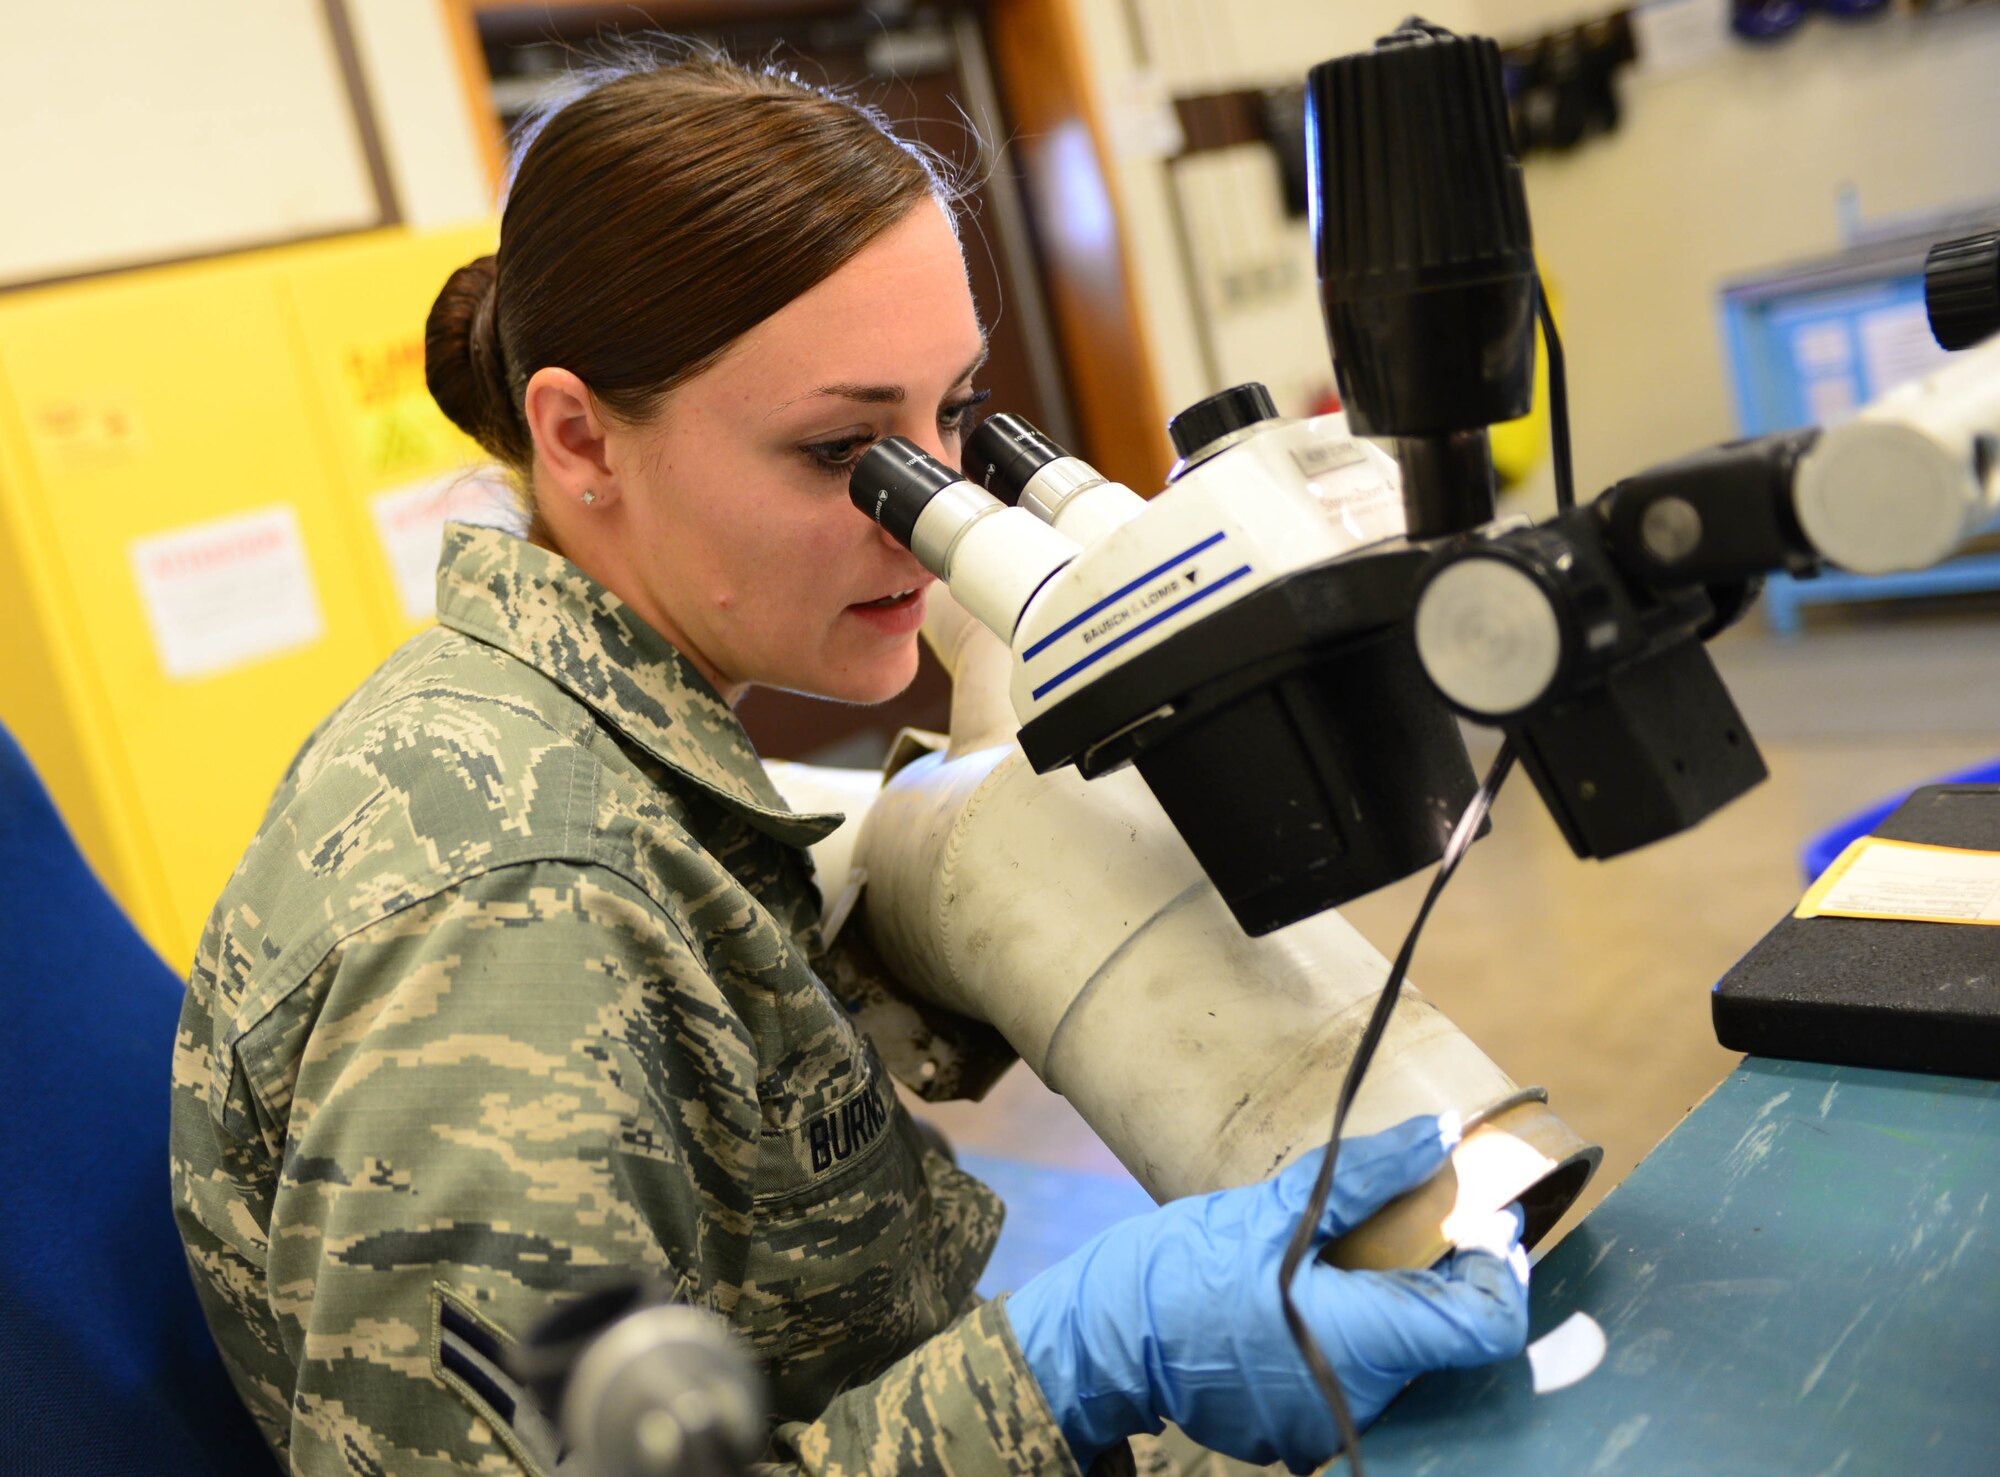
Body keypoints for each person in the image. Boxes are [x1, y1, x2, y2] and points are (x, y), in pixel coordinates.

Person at [168, 48, 1529, 1477]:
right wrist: (1072, 1365)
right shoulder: (512, 911)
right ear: (581, 437)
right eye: (841, 451)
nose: (927, 504)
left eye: (953, 418)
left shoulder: (601, 751)